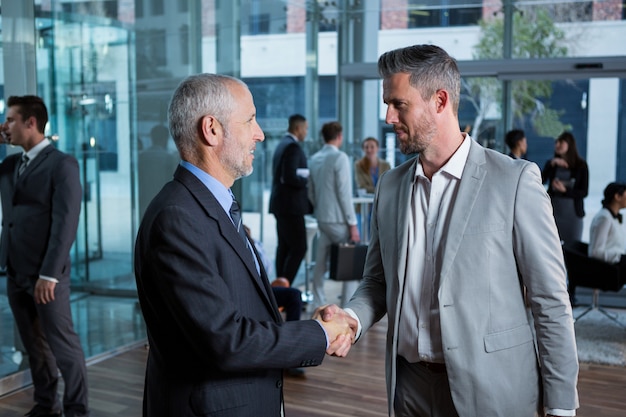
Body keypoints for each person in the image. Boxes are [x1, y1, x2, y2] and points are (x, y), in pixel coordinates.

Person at [316, 45, 578, 417]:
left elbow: (550, 300)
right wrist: (352, 319)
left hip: (494, 391)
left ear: (440, 100)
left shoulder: (514, 181)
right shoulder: (390, 186)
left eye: (398, 103)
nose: (388, 117)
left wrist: (562, 406)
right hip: (407, 389)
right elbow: (377, 282)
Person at [133, 73, 353, 417]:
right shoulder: (178, 218)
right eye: (250, 119)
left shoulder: (212, 206)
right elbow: (226, 340)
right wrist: (319, 335)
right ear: (212, 130)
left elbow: (243, 312)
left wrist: (305, 328)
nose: (260, 133)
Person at [0, 95, 89, 417]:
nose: (5, 126)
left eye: (10, 119)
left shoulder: (62, 164)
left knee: (62, 346)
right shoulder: (10, 165)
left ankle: (77, 410)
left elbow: (66, 221)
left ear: (31, 122)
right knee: (34, 346)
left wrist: (49, 274)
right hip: (15, 269)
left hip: (46, 275)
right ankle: (45, 405)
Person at [308, 121, 360, 308]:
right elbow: (344, 193)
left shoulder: (314, 159)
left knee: (320, 262)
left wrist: (320, 208)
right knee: (350, 261)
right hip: (338, 220)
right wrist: (352, 223)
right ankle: (349, 305)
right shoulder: (340, 158)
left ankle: (318, 302)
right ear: (339, 136)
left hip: (322, 218)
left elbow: (311, 192)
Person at [269, 114, 311, 285]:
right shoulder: (292, 147)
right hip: (291, 207)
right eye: (305, 129)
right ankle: (284, 289)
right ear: (298, 128)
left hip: (281, 205)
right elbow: (289, 177)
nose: (306, 132)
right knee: (300, 247)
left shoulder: (281, 145)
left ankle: (280, 293)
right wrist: (306, 178)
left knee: (284, 247)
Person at [542, 131, 589, 245]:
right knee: (550, 245)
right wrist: (551, 164)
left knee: (572, 247)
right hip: (553, 211)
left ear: (569, 144)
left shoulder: (581, 165)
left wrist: (565, 190)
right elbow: (540, 180)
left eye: (561, 142)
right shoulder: (552, 163)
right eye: (556, 142)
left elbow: (584, 192)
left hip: (572, 214)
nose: (557, 145)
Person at [138, 124, 180, 218]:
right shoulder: (169, 157)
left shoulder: (142, 157)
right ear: (165, 138)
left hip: (144, 199)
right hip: (163, 200)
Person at [354, 136, 391, 237]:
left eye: (372, 147)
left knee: (380, 236)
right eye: (366, 147)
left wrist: (374, 190)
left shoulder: (385, 165)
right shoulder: (359, 165)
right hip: (365, 206)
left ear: (377, 148)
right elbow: (362, 186)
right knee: (364, 236)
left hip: (381, 205)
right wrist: (380, 189)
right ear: (363, 149)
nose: (369, 150)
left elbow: (389, 184)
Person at [588, 182, 626, 265]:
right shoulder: (604, 218)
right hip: (608, 269)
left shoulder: (613, 217)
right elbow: (595, 252)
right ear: (617, 197)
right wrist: (620, 257)